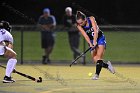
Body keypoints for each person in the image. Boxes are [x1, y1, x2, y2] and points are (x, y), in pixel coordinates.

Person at [75, 11, 115, 80]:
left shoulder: (91, 19)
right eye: (79, 23)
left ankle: (96, 75)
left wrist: (95, 41)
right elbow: (85, 36)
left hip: (100, 38)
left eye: (81, 22)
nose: (80, 24)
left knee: (99, 57)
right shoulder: (79, 26)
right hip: (91, 40)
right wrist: (91, 44)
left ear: (85, 19)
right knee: (95, 59)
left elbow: (96, 30)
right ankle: (107, 66)